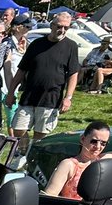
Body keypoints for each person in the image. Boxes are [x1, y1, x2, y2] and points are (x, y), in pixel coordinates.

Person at [5, 13, 80, 156]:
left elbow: (73, 74)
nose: (62, 30)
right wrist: (10, 92)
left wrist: (68, 97)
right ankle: (25, 152)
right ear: (52, 25)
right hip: (29, 96)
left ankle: (32, 157)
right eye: (59, 26)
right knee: (18, 129)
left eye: (66, 28)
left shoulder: (71, 46)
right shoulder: (36, 44)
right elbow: (21, 70)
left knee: (40, 136)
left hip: (51, 98)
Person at [44, 120, 112, 198]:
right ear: (83, 139)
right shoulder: (69, 165)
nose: (98, 147)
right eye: (94, 141)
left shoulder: (105, 160)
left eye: (103, 143)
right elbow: (50, 195)